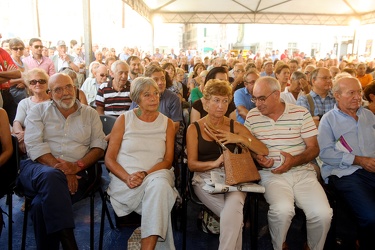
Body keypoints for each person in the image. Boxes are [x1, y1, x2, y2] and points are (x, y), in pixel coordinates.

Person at [18, 73, 107, 250]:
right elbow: (34, 145)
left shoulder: (89, 114)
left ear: (75, 88)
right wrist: (65, 171)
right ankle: (70, 245)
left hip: (79, 173)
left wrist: (76, 166)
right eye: (58, 89)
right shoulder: (38, 111)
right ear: (50, 94)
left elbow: (99, 146)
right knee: (51, 175)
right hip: (37, 168)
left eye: (68, 87)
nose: (65, 92)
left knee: (39, 205)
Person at [245, 76, 332, 250]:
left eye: (262, 98)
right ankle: (279, 245)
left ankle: (313, 246)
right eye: (254, 98)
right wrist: (257, 158)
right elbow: (247, 147)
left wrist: (293, 161)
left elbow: (314, 148)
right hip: (271, 174)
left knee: (323, 214)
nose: (257, 104)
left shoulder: (300, 113)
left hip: (302, 172)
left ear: (277, 95)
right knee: (282, 210)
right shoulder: (253, 116)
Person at [186, 79, 268, 250]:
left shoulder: (234, 126)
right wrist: (214, 163)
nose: (221, 106)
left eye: (225, 101)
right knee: (235, 217)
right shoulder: (194, 129)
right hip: (204, 178)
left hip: (234, 176)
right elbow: (192, 165)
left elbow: (263, 150)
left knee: (233, 211)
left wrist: (239, 138)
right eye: (216, 100)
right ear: (206, 102)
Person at [105, 77, 177, 249]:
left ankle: (146, 246)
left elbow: (168, 161)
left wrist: (145, 174)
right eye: (147, 95)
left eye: (156, 94)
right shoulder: (124, 119)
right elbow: (109, 158)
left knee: (159, 185)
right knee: (160, 192)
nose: (154, 98)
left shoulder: (167, 123)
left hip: (156, 173)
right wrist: (127, 177)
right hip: (126, 180)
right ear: (136, 98)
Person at [318, 76, 375, 249]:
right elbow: (325, 153)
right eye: (351, 93)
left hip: (371, 169)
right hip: (345, 173)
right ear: (337, 95)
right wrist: (358, 160)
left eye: (359, 92)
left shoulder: (368, 115)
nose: (358, 96)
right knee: (370, 216)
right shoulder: (328, 120)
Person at [13, 68, 50, 154]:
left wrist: (28, 135)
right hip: (28, 142)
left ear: (47, 84)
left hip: (49, 139)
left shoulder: (54, 102)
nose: (38, 84)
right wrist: (21, 135)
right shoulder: (24, 103)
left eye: (41, 81)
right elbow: (17, 122)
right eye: (33, 82)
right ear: (29, 85)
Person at [0, 47, 21, 123]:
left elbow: (18, 74)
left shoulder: (2, 52)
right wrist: (9, 74)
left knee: (16, 121)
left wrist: (1, 74)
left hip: (7, 93)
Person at [9, 38, 28, 103]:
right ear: (10, 49)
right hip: (13, 94)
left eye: (21, 48)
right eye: (15, 48)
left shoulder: (25, 63)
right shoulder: (8, 62)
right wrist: (20, 81)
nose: (18, 50)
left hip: (25, 92)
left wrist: (24, 83)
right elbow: (6, 81)